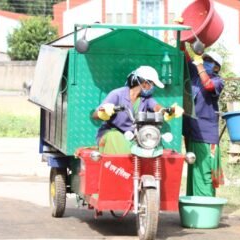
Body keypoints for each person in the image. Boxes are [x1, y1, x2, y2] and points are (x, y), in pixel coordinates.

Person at [92, 65, 183, 154]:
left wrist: (169, 110)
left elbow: (157, 107)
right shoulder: (117, 94)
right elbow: (95, 115)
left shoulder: (145, 98)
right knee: (119, 141)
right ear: (145, 83)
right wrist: (103, 112)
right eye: (153, 84)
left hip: (133, 137)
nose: (153, 88)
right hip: (111, 133)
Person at [183, 50, 225, 197]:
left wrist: (200, 66)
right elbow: (184, 55)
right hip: (192, 132)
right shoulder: (195, 77)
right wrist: (183, 39)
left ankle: (206, 208)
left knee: (205, 173)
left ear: (216, 67)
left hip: (206, 135)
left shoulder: (218, 81)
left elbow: (208, 86)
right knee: (194, 173)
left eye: (209, 60)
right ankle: (194, 209)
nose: (205, 61)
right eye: (204, 58)